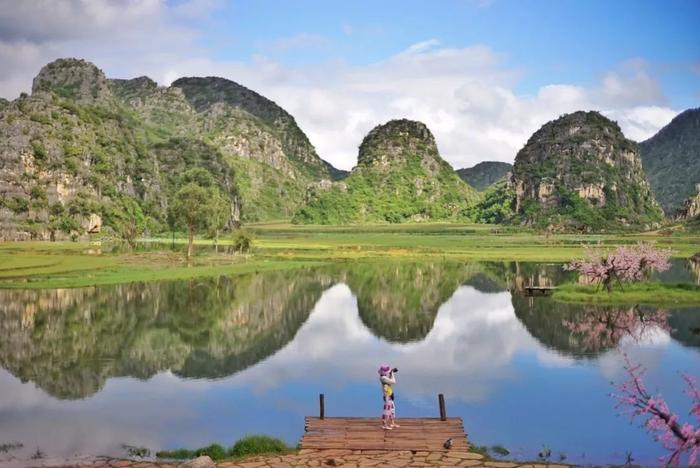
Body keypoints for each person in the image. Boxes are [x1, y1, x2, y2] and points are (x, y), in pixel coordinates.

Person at [378, 364, 400, 430]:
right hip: (387, 396)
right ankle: (384, 424)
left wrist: (391, 373)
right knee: (387, 410)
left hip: (390, 395)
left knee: (392, 409)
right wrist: (392, 373)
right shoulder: (383, 378)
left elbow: (390, 381)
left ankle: (392, 423)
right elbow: (393, 381)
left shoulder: (385, 377)